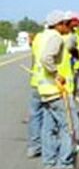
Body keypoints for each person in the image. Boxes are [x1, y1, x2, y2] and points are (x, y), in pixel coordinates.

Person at [34, 10, 75, 169]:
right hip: (56, 90)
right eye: (66, 24)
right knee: (69, 127)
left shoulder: (40, 37)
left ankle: (49, 165)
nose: (68, 27)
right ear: (58, 25)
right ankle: (64, 166)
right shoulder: (56, 37)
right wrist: (56, 73)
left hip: (44, 90)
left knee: (48, 129)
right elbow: (45, 58)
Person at [26, 29, 44, 158]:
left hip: (36, 82)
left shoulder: (37, 39)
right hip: (51, 85)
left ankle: (34, 147)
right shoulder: (58, 38)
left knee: (35, 115)